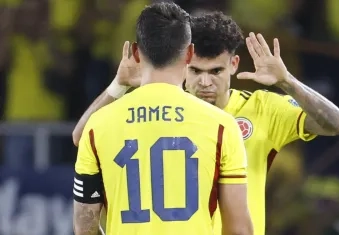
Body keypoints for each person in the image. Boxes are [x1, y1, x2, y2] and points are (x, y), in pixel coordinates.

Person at [73, 11, 339, 235]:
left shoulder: (262, 109)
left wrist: (287, 81)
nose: (205, 83)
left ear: (234, 64)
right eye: (196, 72)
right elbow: (83, 137)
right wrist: (119, 85)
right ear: (185, 61)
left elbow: (335, 124)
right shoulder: (162, 108)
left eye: (216, 71)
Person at [72, 3, 253, 235]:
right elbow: (239, 230)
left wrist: (118, 85)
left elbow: (84, 227)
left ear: (136, 53)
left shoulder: (97, 126)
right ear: (189, 54)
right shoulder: (222, 125)